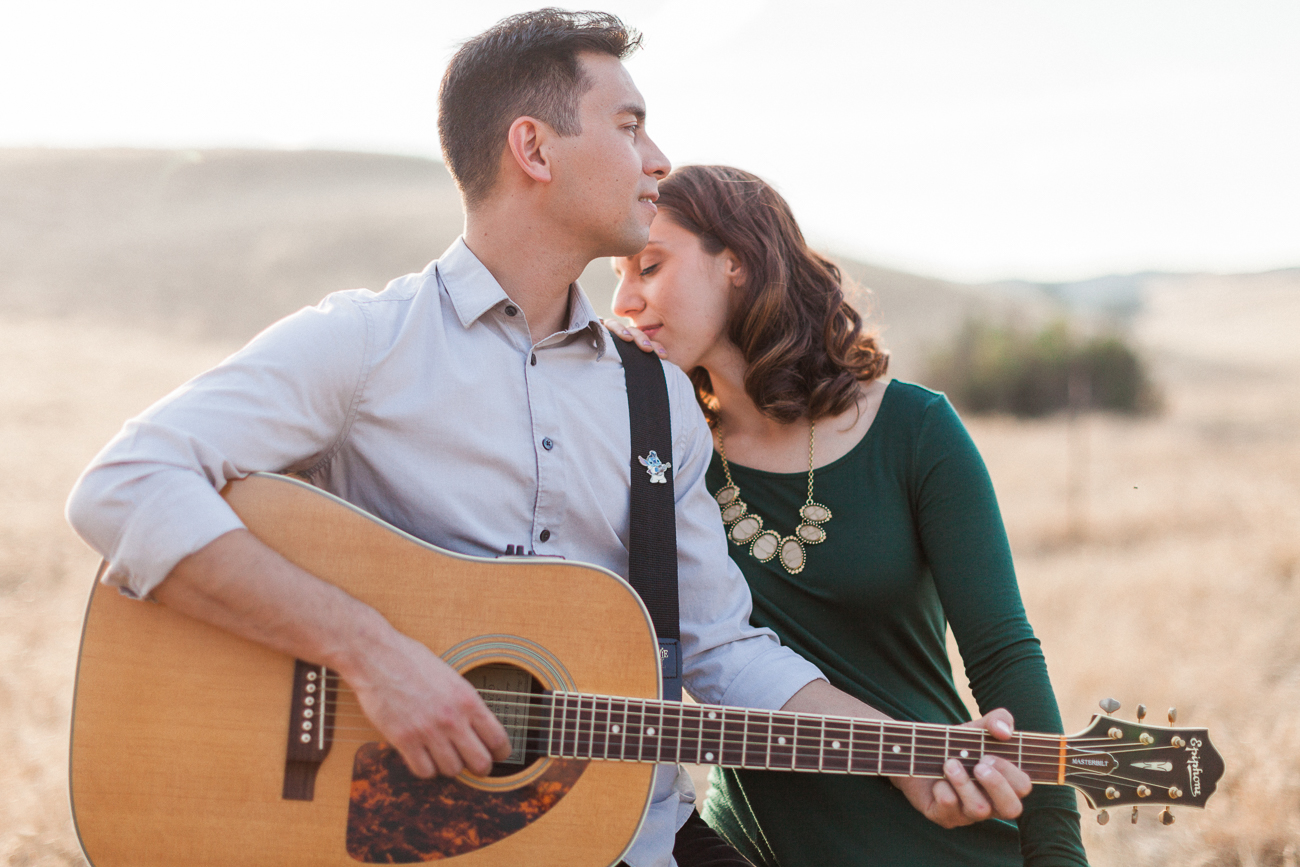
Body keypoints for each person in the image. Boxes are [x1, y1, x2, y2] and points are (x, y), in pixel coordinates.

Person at [66, 12, 1030, 867]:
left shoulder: (654, 397)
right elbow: (123, 483)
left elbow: (724, 648)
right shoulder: (365, 344)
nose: (658, 158)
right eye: (628, 124)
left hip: (630, 839)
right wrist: (374, 656)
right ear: (534, 147)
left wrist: (907, 750)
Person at [609, 164, 1088, 866]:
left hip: (937, 834)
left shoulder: (916, 429)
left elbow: (1003, 651)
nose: (624, 299)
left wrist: (1055, 855)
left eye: (648, 266)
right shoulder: (663, 456)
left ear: (737, 261)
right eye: (615, 275)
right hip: (748, 850)